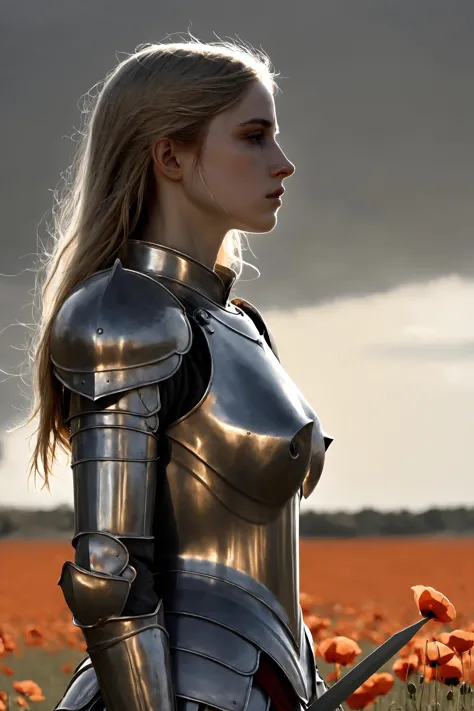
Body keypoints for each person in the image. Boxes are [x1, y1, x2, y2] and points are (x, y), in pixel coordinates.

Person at [27, 39, 334, 711]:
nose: (282, 163)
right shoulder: (124, 318)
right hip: (175, 689)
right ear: (170, 155)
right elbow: (109, 573)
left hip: (266, 672)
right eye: (253, 136)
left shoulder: (239, 323)